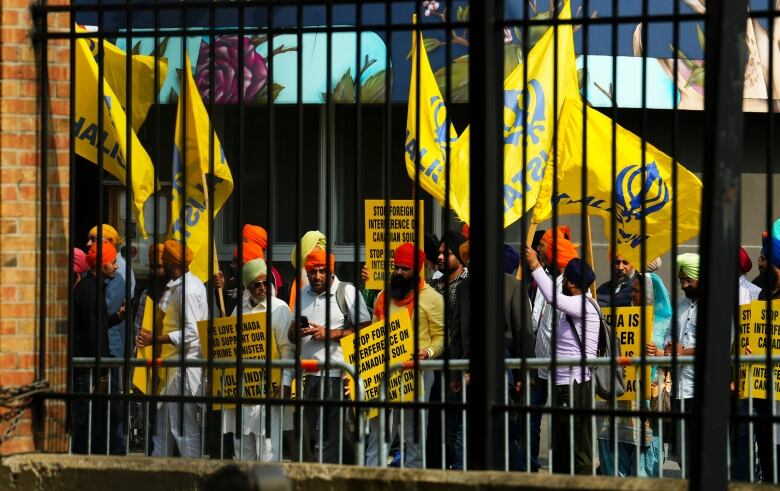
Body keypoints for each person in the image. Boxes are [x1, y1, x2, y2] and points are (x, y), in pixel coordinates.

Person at [287, 248, 371, 463]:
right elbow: (291, 335)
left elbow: (366, 329)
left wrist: (331, 334)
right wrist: (296, 330)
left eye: (322, 271)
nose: (317, 276)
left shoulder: (347, 292)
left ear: (330, 270)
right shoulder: (303, 294)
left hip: (334, 377)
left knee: (327, 439)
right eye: (312, 271)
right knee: (313, 438)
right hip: (307, 378)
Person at [365, 243, 444, 468]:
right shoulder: (383, 296)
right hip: (384, 373)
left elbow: (441, 338)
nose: (399, 272)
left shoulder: (432, 298)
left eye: (405, 268)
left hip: (418, 375)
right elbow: (374, 331)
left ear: (416, 269)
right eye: (396, 267)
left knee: (413, 437)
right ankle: (372, 480)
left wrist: (428, 352)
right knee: (378, 435)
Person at [525, 246, 599, 475]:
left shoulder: (583, 304)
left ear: (571, 284)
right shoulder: (578, 304)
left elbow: (552, 298)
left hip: (573, 385)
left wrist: (535, 266)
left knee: (575, 445)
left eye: (564, 279)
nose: (562, 282)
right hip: (564, 384)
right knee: (562, 445)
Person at [137, 240, 208, 458]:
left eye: (164, 262)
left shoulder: (187, 291)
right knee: (163, 432)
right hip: (172, 370)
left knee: (184, 431)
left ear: (170, 263)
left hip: (183, 370)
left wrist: (155, 339)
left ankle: (192, 478)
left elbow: (192, 332)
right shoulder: (184, 286)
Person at [224, 258, 294, 461]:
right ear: (247, 286)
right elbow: (230, 349)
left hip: (270, 391)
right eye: (257, 284)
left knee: (269, 456)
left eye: (266, 283)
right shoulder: (239, 310)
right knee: (242, 456)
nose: (262, 287)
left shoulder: (279, 309)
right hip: (243, 392)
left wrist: (286, 384)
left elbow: (287, 351)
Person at [523, 227, 578, 472]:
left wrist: (534, 266)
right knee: (530, 419)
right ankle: (528, 466)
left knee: (561, 425)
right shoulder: (551, 279)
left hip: (561, 371)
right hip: (539, 366)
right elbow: (537, 321)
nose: (537, 249)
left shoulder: (565, 286)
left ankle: (562, 472)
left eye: (542, 246)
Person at [595, 261, 654, 477]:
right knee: (612, 446)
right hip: (617, 395)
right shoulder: (607, 295)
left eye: (638, 291)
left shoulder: (660, 321)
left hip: (644, 397)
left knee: (641, 454)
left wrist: (657, 351)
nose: (633, 295)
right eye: (633, 291)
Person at [72, 241, 125, 454]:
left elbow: (96, 325)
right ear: (102, 265)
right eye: (113, 262)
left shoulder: (93, 288)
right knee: (86, 423)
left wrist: (114, 318)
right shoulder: (89, 291)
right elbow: (92, 334)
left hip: (91, 367)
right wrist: (102, 374)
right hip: (88, 370)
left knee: (94, 421)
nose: (116, 266)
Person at [87, 224, 135, 453]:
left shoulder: (119, 271)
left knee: (113, 405)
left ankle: (115, 451)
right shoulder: (101, 265)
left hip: (112, 346)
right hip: (104, 342)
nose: (88, 243)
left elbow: (108, 309)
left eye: (94, 239)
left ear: (110, 244)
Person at [429, 229, 468, 469]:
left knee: (453, 423)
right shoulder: (432, 284)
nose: (441, 256)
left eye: (447, 252)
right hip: (432, 362)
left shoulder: (467, 284)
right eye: (439, 252)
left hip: (456, 364)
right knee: (434, 421)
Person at [664, 252, 700, 478]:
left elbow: (718, 343)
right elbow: (670, 331)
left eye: (688, 279)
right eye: (681, 280)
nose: (683, 284)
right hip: (679, 387)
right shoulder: (680, 304)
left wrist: (682, 352)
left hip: (700, 388)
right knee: (681, 451)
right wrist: (669, 345)